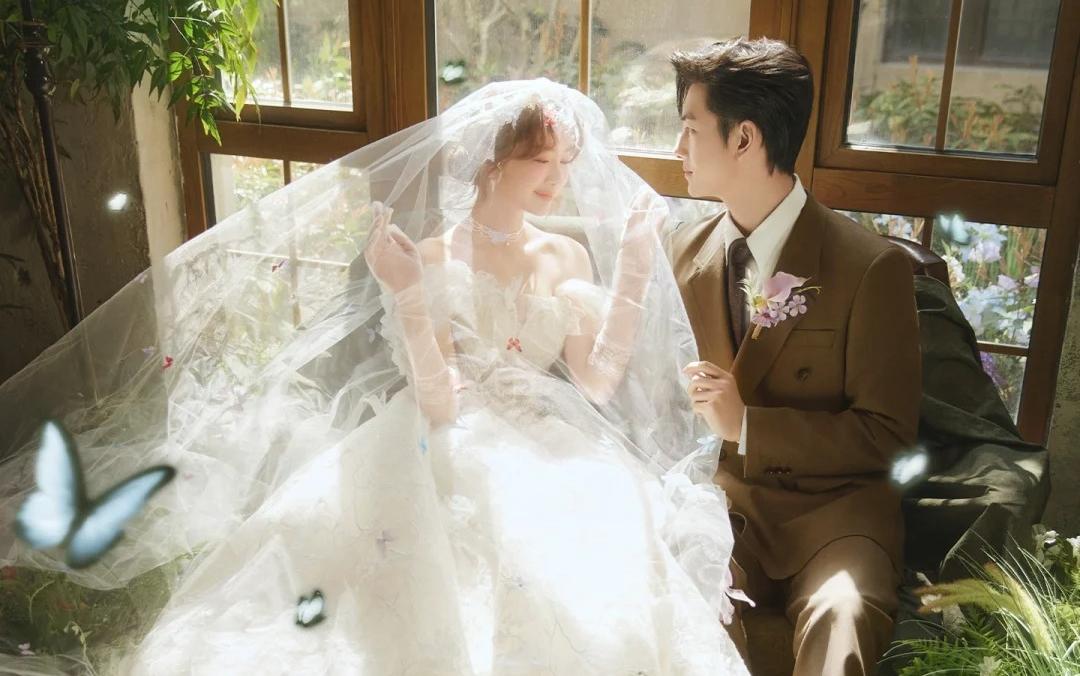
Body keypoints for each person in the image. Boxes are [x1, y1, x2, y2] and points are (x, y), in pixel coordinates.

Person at [0, 79, 748, 675]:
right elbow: (438, 400)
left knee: (595, 585)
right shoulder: (433, 256)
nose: (557, 180)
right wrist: (409, 297)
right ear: (493, 161)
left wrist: (635, 271)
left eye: (564, 163)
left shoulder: (567, 256)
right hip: (447, 436)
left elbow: (597, 383)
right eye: (540, 162)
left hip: (551, 437)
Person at [667, 38, 922, 675]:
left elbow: (888, 435)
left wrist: (748, 426)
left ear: (744, 138)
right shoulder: (683, 254)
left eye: (691, 129)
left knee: (843, 614)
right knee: (678, 598)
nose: (677, 149)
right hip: (727, 514)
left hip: (836, 517)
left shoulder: (870, 267)